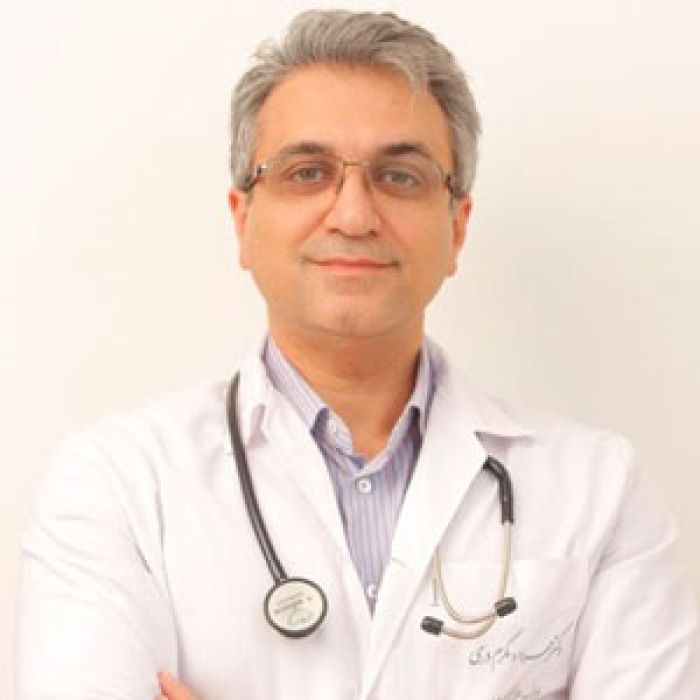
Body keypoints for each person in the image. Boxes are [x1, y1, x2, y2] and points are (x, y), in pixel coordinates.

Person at [16, 9, 700, 700]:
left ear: (457, 227)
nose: (352, 215)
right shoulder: (117, 484)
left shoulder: (600, 488)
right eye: (307, 172)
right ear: (243, 221)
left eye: (399, 176)